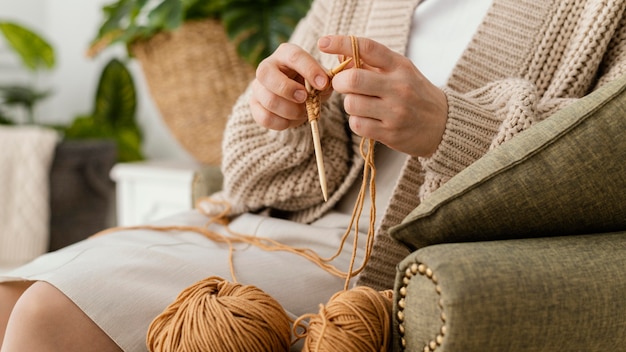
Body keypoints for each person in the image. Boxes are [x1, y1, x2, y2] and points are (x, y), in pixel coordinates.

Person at [1, 0, 625, 350]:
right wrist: (275, 111)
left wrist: (448, 125)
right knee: (6, 302)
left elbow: (608, 155)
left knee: (46, 317)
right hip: (271, 222)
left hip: (382, 257)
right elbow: (254, 177)